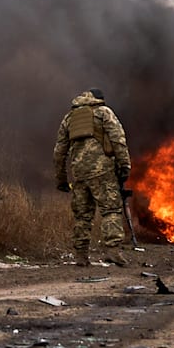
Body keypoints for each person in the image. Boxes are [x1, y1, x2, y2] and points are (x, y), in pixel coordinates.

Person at [53, 88, 133, 267]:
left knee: (82, 215)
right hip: (102, 171)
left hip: (79, 174)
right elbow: (118, 140)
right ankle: (112, 251)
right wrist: (125, 165)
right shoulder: (104, 112)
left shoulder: (69, 118)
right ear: (98, 100)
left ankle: (81, 255)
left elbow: (59, 152)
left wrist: (61, 179)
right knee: (111, 210)